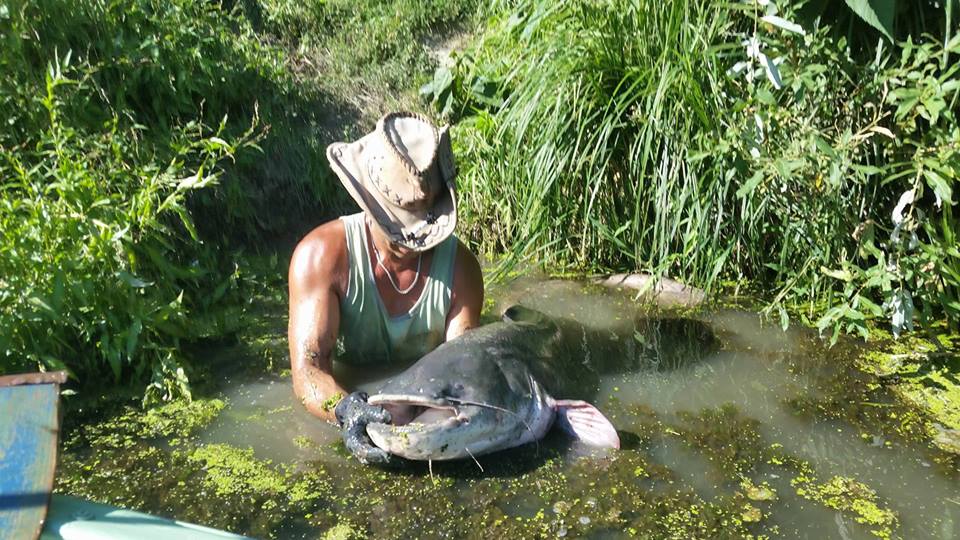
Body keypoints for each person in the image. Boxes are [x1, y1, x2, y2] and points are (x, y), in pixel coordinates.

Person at [287, 112, 484, 464]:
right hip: (353, 394)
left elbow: (462, 371)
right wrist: (346, 409)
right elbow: (310, 371)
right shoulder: (320, 258)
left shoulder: (461, 271)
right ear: (369, 200)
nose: (414, 242)